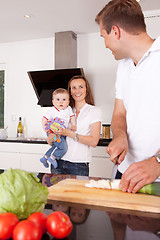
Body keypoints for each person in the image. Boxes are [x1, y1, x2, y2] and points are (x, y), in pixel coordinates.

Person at [95, 0, 160, 193]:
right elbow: (119, 113)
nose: (105, 45)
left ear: (115, 32)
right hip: (124, 173)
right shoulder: (123, 67)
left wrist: (157, 162)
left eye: (103, 37)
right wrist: (120, 136)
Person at [46, 75, 102, 176]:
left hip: (78, 166)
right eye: (73, 88)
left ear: (86, 89)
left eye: (81, 87)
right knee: (55, 192)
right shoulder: (64, 111)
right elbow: (50, 142)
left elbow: (94, 142)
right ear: (70, 91)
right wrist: (52, 136)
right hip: (57, 163)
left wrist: (69, 133)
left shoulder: (94, 111)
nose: (77, 91)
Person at [40, 88, 76, 169]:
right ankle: (53, 157)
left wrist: (73, 125)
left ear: (68, 102)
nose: (61, 102)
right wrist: (45, 129)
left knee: (55, 147)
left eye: (64, 99)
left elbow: (72, 117)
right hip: (53, 132)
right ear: (53, 102)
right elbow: (44, 119)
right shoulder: (52, 110)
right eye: (58, 99)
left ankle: (45, 158)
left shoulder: (69, 109)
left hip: (62, 132)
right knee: (63, 148)